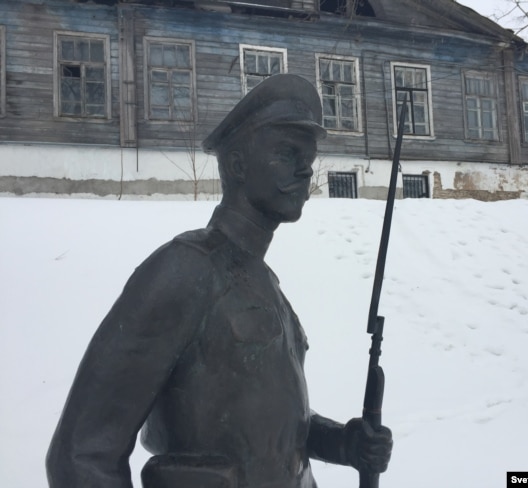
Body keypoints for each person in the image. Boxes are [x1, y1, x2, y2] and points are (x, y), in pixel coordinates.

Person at [46, 74, 392, 488]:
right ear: (237, 164)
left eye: (310, 159)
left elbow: (270, 430)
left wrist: (343, 444)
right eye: (287, 153)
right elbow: (81, 455)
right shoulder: (183, 271)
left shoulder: (266, 285)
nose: (305, 171)